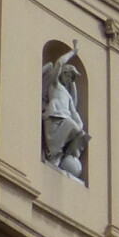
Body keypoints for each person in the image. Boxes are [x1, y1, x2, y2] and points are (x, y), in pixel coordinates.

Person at [41, 50, 87, 180]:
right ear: (62, 73)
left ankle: (64, 160)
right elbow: (59, 63)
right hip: (54, 117)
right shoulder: (54, 83)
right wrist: (73, 52)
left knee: (77, 133)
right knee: (71, 129)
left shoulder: (69, 96)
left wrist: (80, 127)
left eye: (72, 77)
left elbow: (74, 113)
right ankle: (56, 159)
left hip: (64, 119)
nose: (69, 78)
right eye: (68, 75)